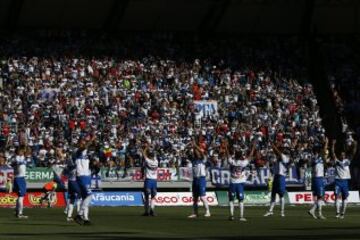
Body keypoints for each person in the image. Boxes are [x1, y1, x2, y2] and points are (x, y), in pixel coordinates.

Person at [227, 142, 255, 221]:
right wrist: (253, 146)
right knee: (241, 200)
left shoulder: (232, 162)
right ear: (241, 156)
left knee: (231, 200)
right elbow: (250, 156)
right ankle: (241, 216)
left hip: (233, 182)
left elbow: (228, 155)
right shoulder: (243, 163)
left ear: (235, 155)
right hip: (240, 183)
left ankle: (231, 216)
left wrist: (226, 146)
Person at [264, 143, 291, 217]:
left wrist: (273, 146)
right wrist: (273, 147)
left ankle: (282, 212)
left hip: (281, 177)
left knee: (281, 195)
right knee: (273, 194)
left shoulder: (285, 158)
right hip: (276, 177)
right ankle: (270, 211)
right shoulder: (279, 158)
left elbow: (278, 152)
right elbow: (276, 153)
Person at [74, 135, 96, 225]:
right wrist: (91, 139)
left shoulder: (86, 152)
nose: (84, 143)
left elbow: (91, 148)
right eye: (82, 142)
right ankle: (79, 215)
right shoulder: (77, 151)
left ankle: (86, 219)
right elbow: (84, 147)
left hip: (86, 176)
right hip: (82, 176)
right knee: (89, 195)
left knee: (85, 198)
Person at [188, 140, 211, 218]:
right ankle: (195, 213)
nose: (197, 153)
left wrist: (195, 146)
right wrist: (191, 147)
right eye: (195, 152)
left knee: (202, 197)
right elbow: (188, 153)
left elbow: (202, 153)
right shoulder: (193, 160)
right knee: (195, 198)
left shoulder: (203, 160)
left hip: (201, 179)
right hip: (195, 180)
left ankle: (208, 211)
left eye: (197, 152)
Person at [308, 137, 329, 220]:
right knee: (320, 197)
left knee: (320, 197)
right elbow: (323, 151)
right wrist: (326, 142)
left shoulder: (316, 157)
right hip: (318, 178)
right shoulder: (316, 157)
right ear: (317, 151)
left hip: (317, 178)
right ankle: (319, 213)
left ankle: (313, 210)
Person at [331, 139, 351, 219]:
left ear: (345, 156)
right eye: (341, 155)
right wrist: (333, 145)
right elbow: (332, 153)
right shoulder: (337, 161)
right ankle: (337, 213)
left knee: (345, 198)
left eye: (343, 155)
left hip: (345, 181)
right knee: (336, 197)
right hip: (338, 181)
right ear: (339, 156)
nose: (342, 156)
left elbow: (352, 153)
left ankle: (342, 213)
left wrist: (353, 145)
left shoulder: (347, 161)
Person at [142, 145, 159, 216]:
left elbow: (144, 154)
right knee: (153, 196)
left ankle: (146, 212)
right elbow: (154, 155)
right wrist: (152, 148)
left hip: (148, 180)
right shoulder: (156, 161)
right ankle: (152, 210)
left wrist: (146, 147)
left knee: (146, 196)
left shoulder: (148, 161)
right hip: (154, 180)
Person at [12, 147, 28, 219]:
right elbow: (18, 163)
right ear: (18, 152)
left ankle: (17, 211)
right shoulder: (17, 158)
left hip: (20, 178)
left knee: (20, 196)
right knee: (21, 196)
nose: (22, 153)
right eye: (21, 151)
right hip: (19, 178)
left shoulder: (19, 157)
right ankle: (20, 213)